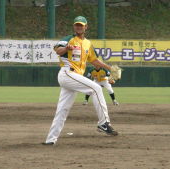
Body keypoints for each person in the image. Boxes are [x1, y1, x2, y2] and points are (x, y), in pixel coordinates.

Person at [43, 16, 118, 145]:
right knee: (96, 88)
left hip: (74, 78)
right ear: (74, 26)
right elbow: (57, 51)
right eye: (77, 25)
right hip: (67, 73)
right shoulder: (69, 39)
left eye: (81, 25)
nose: (79, 27)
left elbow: (94, 60)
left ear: (86, 27)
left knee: (62, 109)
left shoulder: (88, 43)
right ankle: (103, 123)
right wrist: (67, 48)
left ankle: (50, 140)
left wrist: (109, 68)